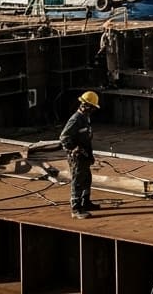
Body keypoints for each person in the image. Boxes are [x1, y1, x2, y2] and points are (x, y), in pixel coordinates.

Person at [59, 91, 100, 219]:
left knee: (87, 178)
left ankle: (85, 202)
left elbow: (86, 138)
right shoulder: (75, 119)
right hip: (77, 157)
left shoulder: (85, 118)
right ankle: (76, 208)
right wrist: (74, 149)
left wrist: (90, 155)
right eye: (92, 107)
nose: (93, 110)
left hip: (85, 156)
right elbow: (64, 137)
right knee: (77, 181)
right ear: (85, 105)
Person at [97, 22, 121, 88]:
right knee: (110, 69)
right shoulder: (105, 36)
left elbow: (115, 46)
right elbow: (103, 46)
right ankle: (110, 82)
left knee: (114, 69)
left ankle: (113, 82)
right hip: (108, 55)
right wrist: (101, 51)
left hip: (113, 55)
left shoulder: (114, 36)